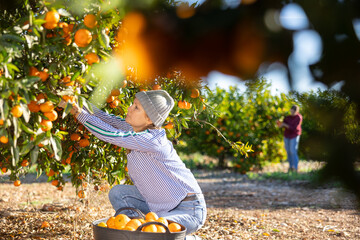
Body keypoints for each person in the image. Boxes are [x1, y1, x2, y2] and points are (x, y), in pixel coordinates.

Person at [60, 90, 206, 239]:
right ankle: (136, 233)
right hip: (161, 206)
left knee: (152, 231)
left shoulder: (152, 140)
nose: (129, 108)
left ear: (149, 119)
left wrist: (78, 113)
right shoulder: (135, 129)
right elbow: (107, 119)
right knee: (119, 193)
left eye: (136, 107)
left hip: (188, 209)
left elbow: (110, 134)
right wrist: (77, 100)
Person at [277, 105, 303, 173]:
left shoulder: (298, 117)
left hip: (294, 135)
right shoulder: (288, 117)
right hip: (287, 135)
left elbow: (293, 128)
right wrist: (279, 124)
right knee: (288, 151)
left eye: (293, 112)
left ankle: (295, 167)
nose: (291, 113)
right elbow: (282, 125)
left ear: (296, 111)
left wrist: (285, 125)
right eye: (291, 111)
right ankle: (291, 167)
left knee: (293, 151)